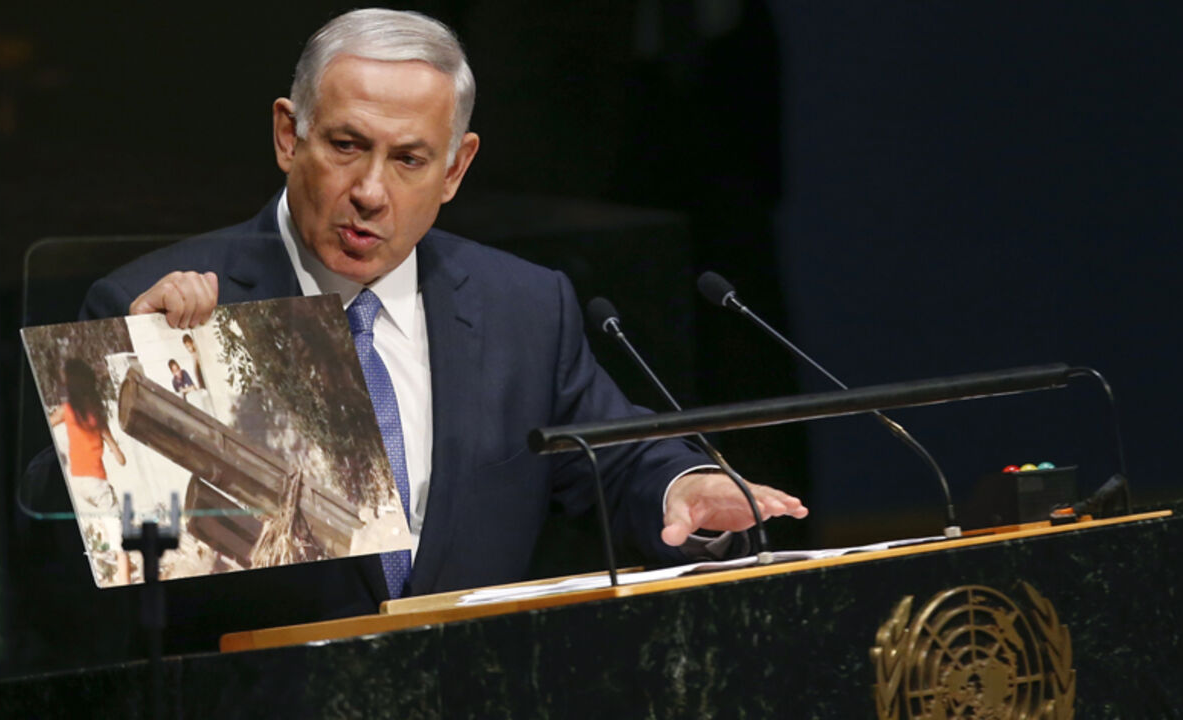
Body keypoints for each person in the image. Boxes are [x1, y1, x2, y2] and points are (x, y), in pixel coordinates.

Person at [75, 8, 806, 651]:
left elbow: (612, 459)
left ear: (455, 169)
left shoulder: (522, 306)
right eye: (346, 146)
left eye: (409, 160)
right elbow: (61, 567)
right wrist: (128, 399)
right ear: (287, 136)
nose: (369, 192)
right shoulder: (154, 307)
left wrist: (685, 484)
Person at [48, 357, 131, 586]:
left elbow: (49, 421)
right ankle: (125, 585)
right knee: (120, 544)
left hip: (76, 483)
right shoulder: (98, 415)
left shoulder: (66, 411)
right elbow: (121, 459)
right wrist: (112, 447)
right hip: (96, 483)